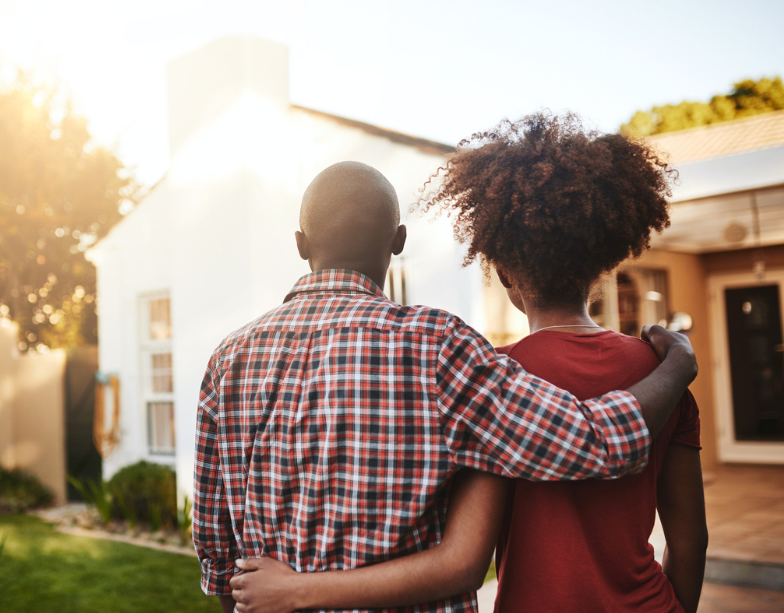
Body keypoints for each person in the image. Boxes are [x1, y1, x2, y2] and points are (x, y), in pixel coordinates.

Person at [228, 114, 708, 613]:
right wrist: (677, 365)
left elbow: (464, 557)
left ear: (501, 272)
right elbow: (690, 539)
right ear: (601, 262)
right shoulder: (660, 380)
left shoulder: (491, 371)